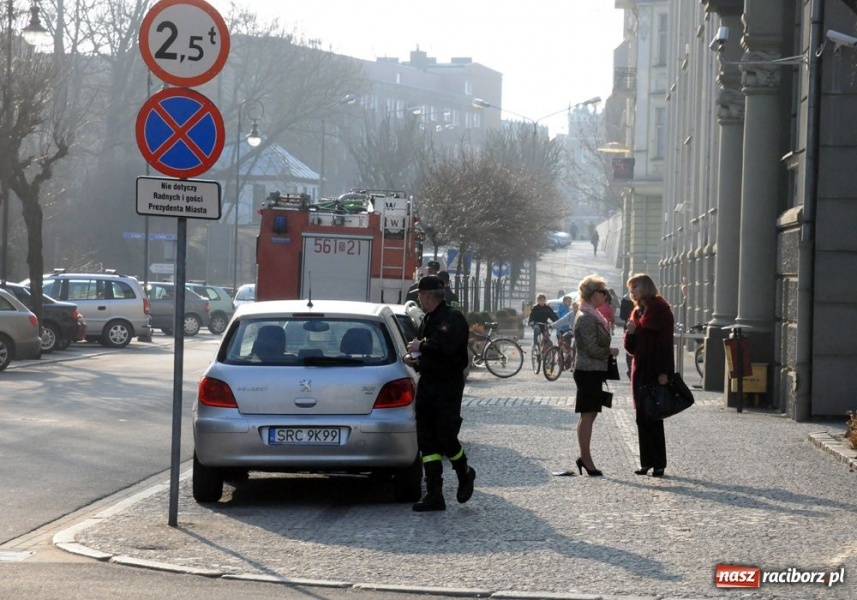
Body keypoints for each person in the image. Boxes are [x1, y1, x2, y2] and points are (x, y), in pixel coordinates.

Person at [404, 275, 475, 512]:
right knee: (427, 440)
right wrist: (415, 359)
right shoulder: (429, 318)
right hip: (428, 383)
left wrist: (420, 347)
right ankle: (435, 493)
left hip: (447, 387)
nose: (421, 301)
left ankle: (465, 473)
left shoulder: (452, 318)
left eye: (421, 297)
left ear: (427, 295)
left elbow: (445, 347)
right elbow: (431, 352)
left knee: (446, 437)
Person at [623, 273, 675, 478]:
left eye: (635, 287)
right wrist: (631, 332)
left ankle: (659, 464)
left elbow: (665, 345)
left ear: (645, 288)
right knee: (641, 418)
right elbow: (631, 348)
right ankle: (646, 462)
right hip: (639, 371)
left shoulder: (661, 310)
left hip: (655, 369)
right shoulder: (636, 312)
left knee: (654, 417)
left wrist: (665, 372)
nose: (632, 291)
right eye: (631, 288)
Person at [571, 275, 619, 476]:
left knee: (589, 414)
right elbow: (591, 348)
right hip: (588, 370)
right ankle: (586, 458)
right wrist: (610, 352)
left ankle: (585, 456)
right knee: (588, 415)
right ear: (593, 294)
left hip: (592, 370)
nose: (606, 295)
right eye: (603, 292)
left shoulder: (592, 314)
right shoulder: (587, 317)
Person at [618, 292, 635, 377]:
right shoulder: (626, 299)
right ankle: (631, 369)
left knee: (629, 347)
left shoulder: (625, 299)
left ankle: (630, 369)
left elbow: (622, 315)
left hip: (628, 325)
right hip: (633, 326)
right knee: (630, 347)